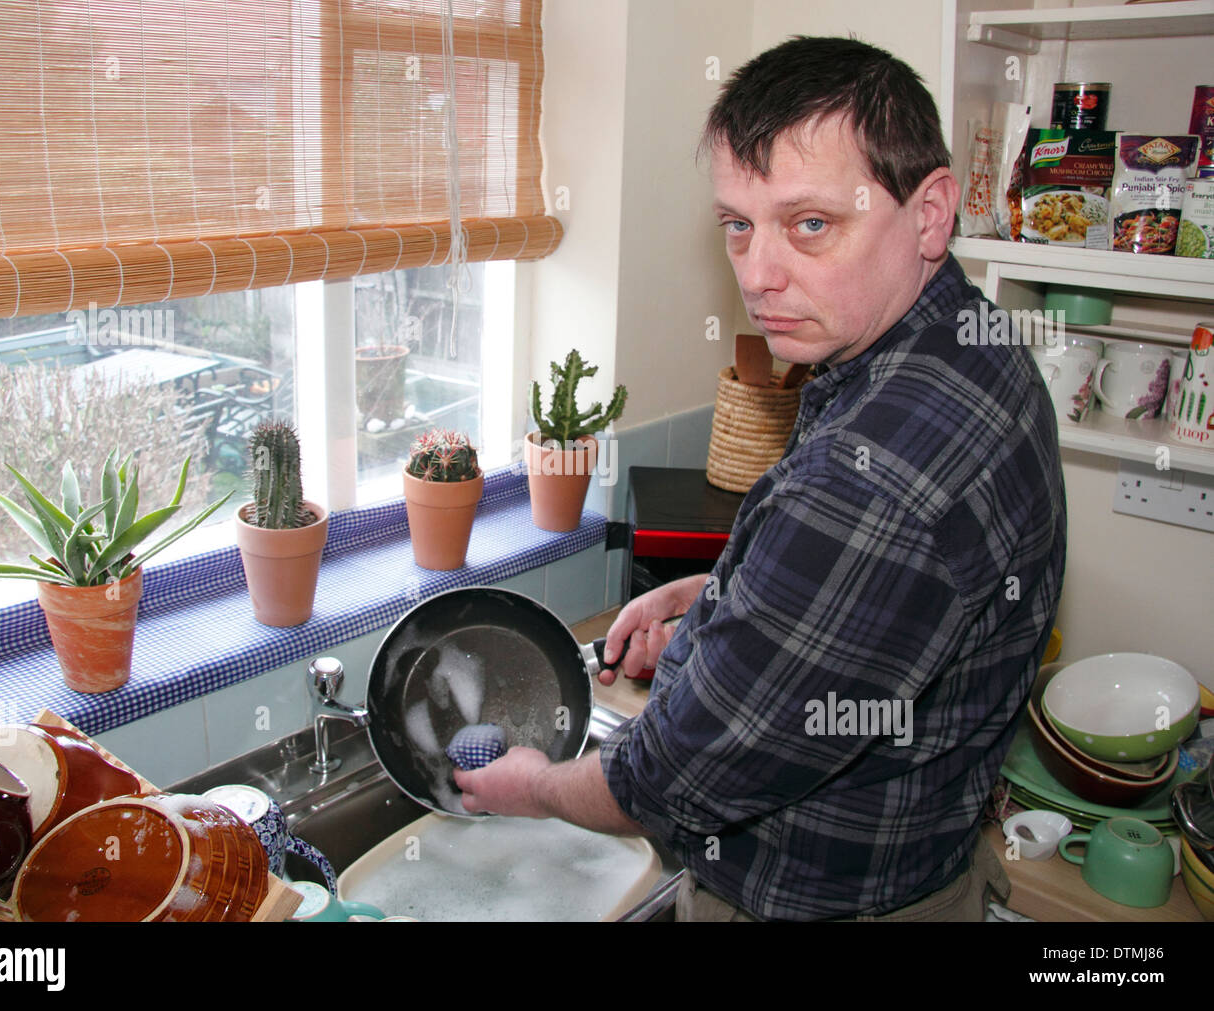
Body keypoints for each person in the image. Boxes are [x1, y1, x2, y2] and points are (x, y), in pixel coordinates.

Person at [454, 35, 1066, 921]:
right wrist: (726, 595)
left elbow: (668, 781)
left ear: (931, 212)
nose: (759, 275)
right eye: (739, 225)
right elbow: (879, 605)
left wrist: (536, 784)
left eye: (811, 223)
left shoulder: (877, 478)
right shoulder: (966, 345)